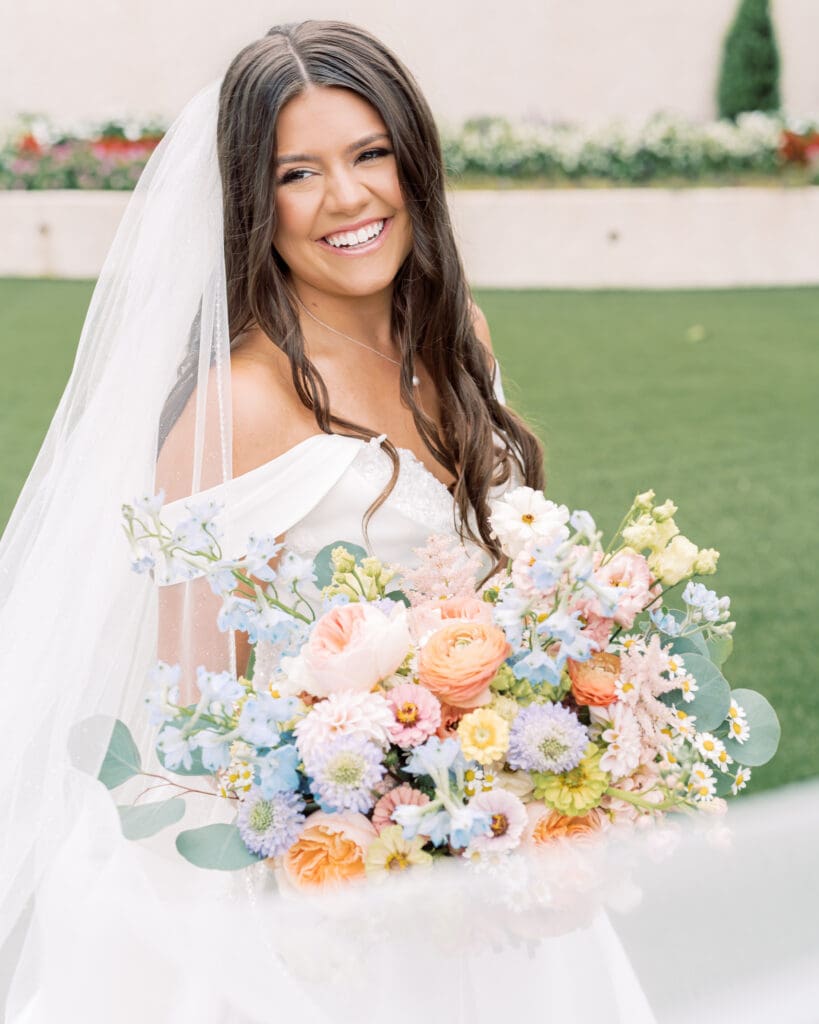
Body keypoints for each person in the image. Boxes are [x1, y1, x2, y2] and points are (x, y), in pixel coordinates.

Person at [4, 19, 816, 1024]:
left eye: (370, 153)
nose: (347, 198)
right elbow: (188, 724)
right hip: (328, 920)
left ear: (412, 163)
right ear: (256, 205)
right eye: (299, 173)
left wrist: (555, 748)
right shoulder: (235, 410)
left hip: (494, 870)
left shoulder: (459, 339)